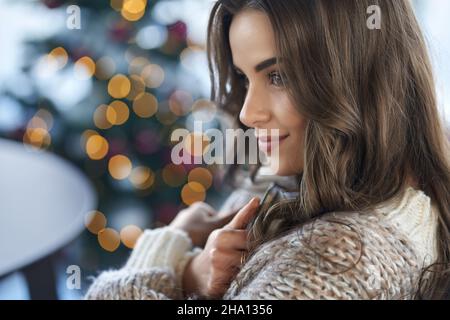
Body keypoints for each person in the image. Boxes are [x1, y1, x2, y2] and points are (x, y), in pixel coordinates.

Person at [85, 0, 450, 300]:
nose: (247, 112)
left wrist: (171, 259)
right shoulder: (305, 184)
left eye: (278, 76)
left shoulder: (335, 259)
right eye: (245, 78)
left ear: (356, 78)